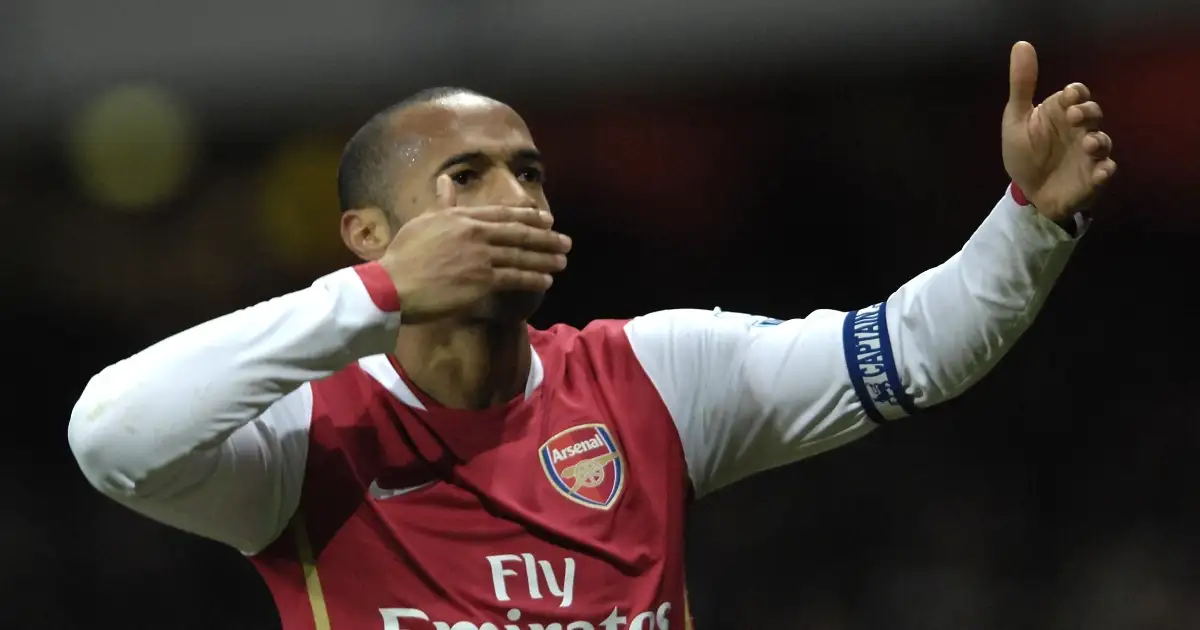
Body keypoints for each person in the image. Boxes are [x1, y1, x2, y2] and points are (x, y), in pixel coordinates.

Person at [68, 41, 1114, 630]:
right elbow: (111, 436)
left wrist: (1031, 219)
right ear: (368, 236)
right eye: (466, 176)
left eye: (528, 170)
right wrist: (377, 296)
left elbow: (916, 348)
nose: (516, 195)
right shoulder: (307, 439)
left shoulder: (655, 375)